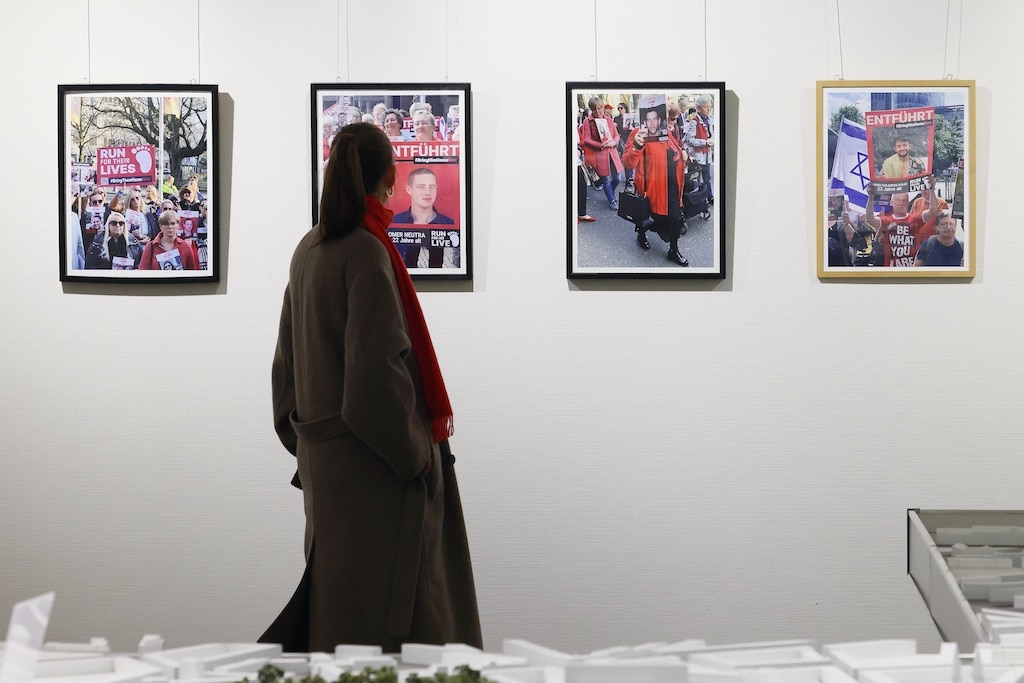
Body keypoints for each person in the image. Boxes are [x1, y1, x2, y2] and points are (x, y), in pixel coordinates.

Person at [260, 122, 482, 652]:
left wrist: (313, 449)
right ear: (390, 176)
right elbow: (375, 382)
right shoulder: (365, 251)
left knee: (339, 629)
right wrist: (416, 460)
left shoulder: (308, 249)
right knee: (403, 635)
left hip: (329, 479)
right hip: (377, 479)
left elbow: (284, 379)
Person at [622, 106, 689, 266]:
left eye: (656, 118)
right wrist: (637, 146)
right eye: (649, 119)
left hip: (672, 186)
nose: (652, 123)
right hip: (650, 188)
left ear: (660, 119)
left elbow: (675, 153)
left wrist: (683, 154)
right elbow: (627, 162)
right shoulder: (639, 133)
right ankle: (641, 235)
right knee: (645, 215)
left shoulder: (666, 133)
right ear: (644, 119)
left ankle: (673, 250)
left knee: (674, 219)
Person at [864, 179, 938, 267]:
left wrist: (932, 190)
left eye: (904, 200)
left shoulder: (915, 219)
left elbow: (933, 211)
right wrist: (871, 197)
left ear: (908, 203)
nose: (901, 203)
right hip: (892, 270)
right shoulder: (886, 221)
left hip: (912, 269)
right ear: (892, 202)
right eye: (898, 200)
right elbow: (869, 219)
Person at [392, 167, 454, 269]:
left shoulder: (448, 223)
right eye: (421, 187)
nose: (428, 192)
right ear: (409, 189)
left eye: (432, 187)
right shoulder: (395, 222)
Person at [580, 96, 623, 211]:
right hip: (600, 154)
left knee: (617, 177)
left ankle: (610, 192)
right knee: (606, 179)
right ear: (591, 109)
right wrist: (600, 145)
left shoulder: (608, 119)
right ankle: (611, 200)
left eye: (600, 108)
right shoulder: (587, 121)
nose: (598, 111)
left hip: (612, 152)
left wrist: (614, 142)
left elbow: (616, 135)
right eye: (595, 109)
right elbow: (587, 139)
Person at [683, 95, 715, 204]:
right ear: (699, 108)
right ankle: (699, 201)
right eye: (706, 107)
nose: (708, 109)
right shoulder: (693, 120)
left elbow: (712, 135)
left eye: (709, 106)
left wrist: (712, 140)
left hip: (707, 154)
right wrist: (705, 142)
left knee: (707, 178)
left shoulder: (710, 119)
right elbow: (689, 140)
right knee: (696, 179)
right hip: (697, 155)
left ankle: (709, 196)